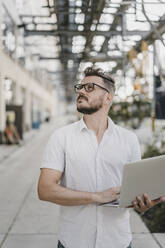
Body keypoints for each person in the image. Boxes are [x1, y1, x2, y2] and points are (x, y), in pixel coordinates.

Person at [38, 66, 165, 248]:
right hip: (74, 241)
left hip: (118, 241)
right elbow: (45, 189)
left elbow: (136, 190)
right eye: (80, 88)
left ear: (108, 97)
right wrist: (97, 197)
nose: (81, 91)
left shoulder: (129, 140)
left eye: (89, 87)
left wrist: (143, 205)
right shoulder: (61, 137)